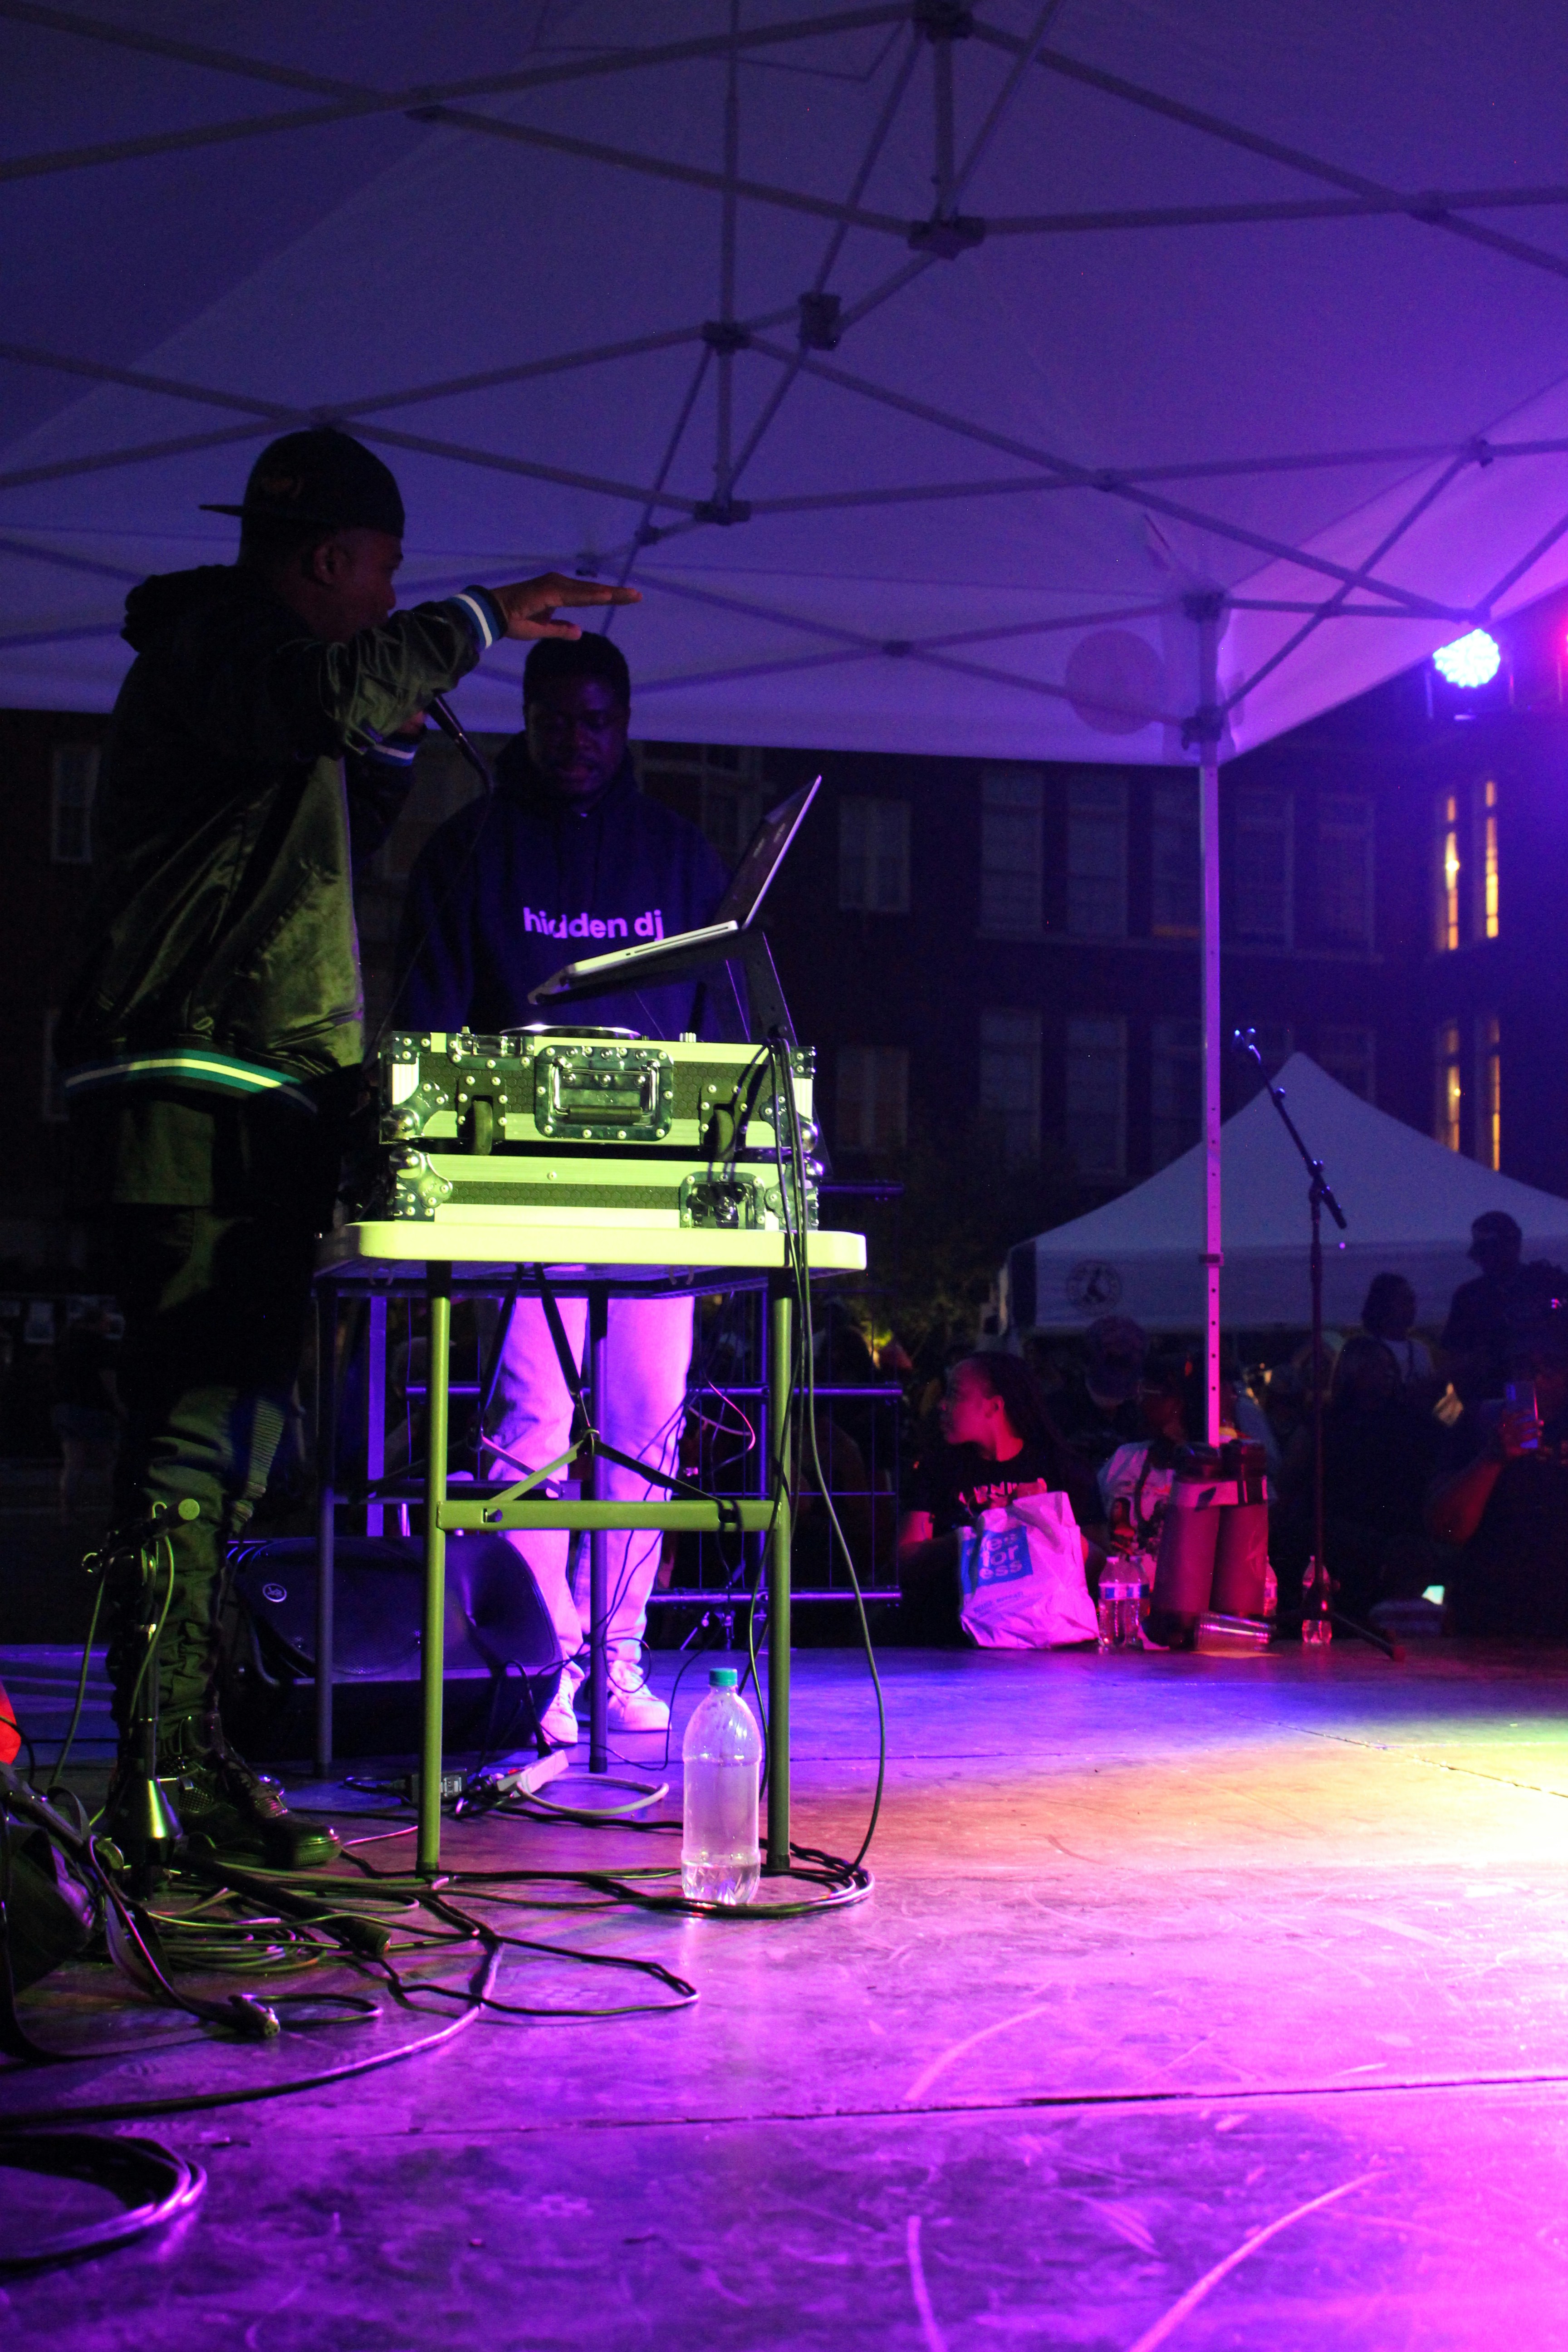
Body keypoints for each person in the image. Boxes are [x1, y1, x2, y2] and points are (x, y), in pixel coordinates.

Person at [59, 426, 634, 1864]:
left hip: (248, 1098)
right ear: (329, 560)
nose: (389, 604)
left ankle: (184, 1762)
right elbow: (333, 689)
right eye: (381, 577)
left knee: (235, 1430)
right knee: (197, 1431)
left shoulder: (251, 676)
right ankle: (158, 1779)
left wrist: (371, 771)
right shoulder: (228, 644)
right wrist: (485, 620)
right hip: (196, 1092)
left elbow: (289, 812)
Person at [394, 634, 740, 1742]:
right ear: (529, 719)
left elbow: (720, 1023)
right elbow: (431, 1018)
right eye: (556, 722)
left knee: (647, 1424)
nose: (576, 743)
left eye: (595, 723)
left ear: (623, 724)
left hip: (654, 1198)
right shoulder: (473, 847)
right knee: (530, 1422)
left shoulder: (680, 858)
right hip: (515, 1189)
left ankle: (619, 1650)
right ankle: (536, 1660)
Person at [897, 1353, 1100, 1644]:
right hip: (954, 1641)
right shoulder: (936, 1469)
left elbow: (1103, 1567)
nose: (942, 1404)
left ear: (994, 1406)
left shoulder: (1063, 1469)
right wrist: (972, 1535)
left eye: (955, 1394)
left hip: (1049, 1642)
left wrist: (1039, 1519)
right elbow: (904, 1560)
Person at [1426, 1318, 1568, 1638]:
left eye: (1552, 1364)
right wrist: (1491, 1459)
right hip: (1492, 1617)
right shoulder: (1479, 1423)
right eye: (1524, 1365)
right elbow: (1447, 1529)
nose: (1537, 1376)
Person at [1313, 1335, 1446, 1617]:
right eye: (1375, 1367)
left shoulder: (1413, 1422)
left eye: (1390, 1367)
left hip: (1403, 1529)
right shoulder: (1329, 1423)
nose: (1386, 1373)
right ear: (1353, 1371)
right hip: (1348, 1533)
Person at [1441, 1212, 1568, 1404]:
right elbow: (1455, 1357)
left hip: (1557, 1396)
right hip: (1497, 1399)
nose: (1482, 1260)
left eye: (1490, 1251)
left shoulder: (1551, 1283)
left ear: (1514, 1244)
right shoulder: (1469, 1296)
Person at [1049, 1315, 1148, 1470]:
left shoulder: (1140, 1413)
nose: (1121, 1373)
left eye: (1128, 1363)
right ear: (1089, 1361)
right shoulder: (1056, 1409)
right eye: (1114, 1362)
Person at [1360, 1273, 1434, 1392]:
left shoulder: (1421, 1352)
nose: (1412, 1307)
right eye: (1404, 1302)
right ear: (1383, 1305)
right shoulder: (1363, 1352)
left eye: (1412, 1301)